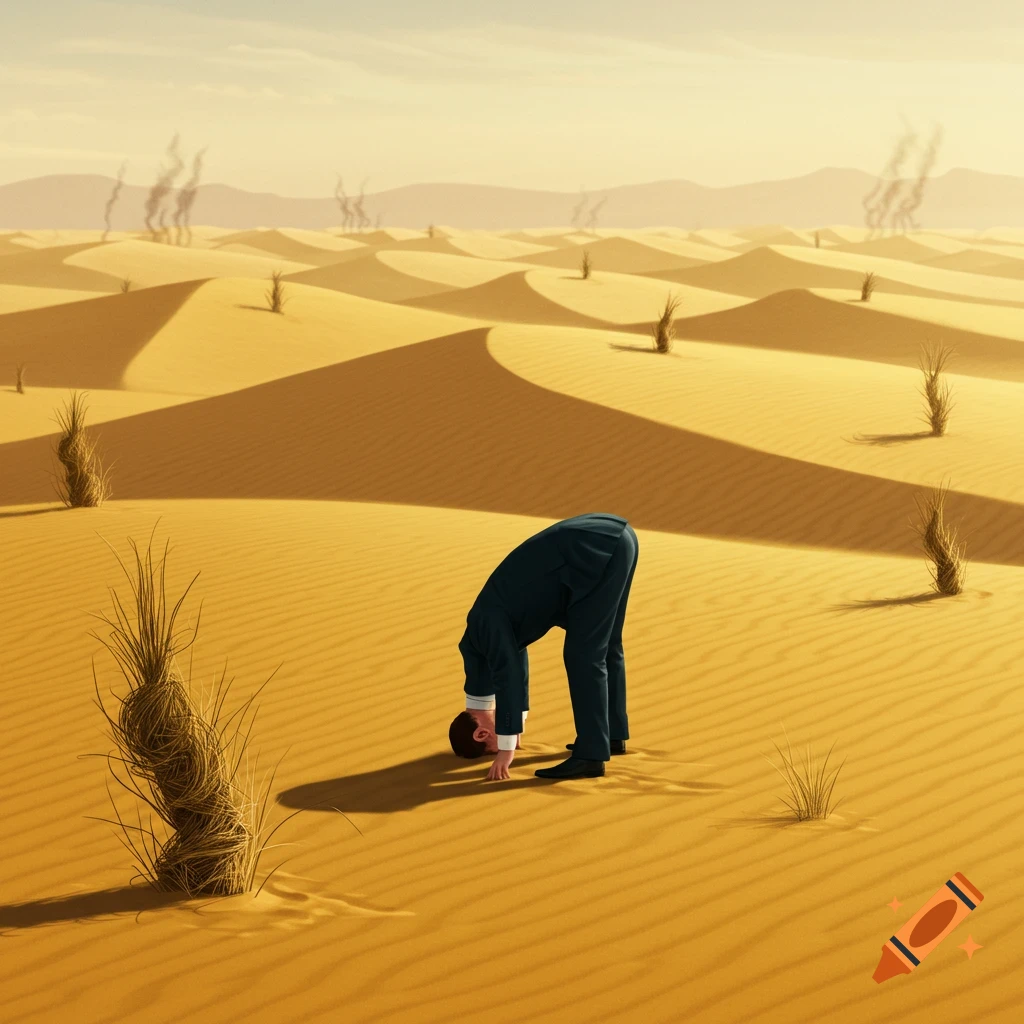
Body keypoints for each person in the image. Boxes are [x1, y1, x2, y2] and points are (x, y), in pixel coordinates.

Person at [448, 512, 639, 781]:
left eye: (489, 745)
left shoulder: (484, 627)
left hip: (592, 552)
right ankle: (611, 735)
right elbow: (512, 661)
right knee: (607, 645)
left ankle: (591, 756)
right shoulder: (479, 635)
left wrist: (505, 750)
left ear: (481, 733)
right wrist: (517, 724)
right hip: (613, 540)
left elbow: (509, 676)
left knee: (583, 655)